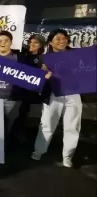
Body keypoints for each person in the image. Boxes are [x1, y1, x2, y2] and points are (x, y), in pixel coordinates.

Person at [32, 29, 82, 168]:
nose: (62, 41)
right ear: (50, 42)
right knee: (47, 123)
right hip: (53, 94)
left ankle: (67, 156)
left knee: (72, 126)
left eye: (64, 38)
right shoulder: (44, 58)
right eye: (58, 39)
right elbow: (37, 76)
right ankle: (39, 150)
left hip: (73, 94)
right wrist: (44, 75)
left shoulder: (77, 55)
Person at [12, 34, 48, 143]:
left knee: (23, 111)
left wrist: (44, 71)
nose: (32, 44)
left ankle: (20, 131)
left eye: (36, 43)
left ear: (41, 45)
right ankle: (12, 131)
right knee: (14, 112)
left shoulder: (43, 59)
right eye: (30, 42)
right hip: (18, 88)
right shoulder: (22, 55)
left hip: (29, 92)